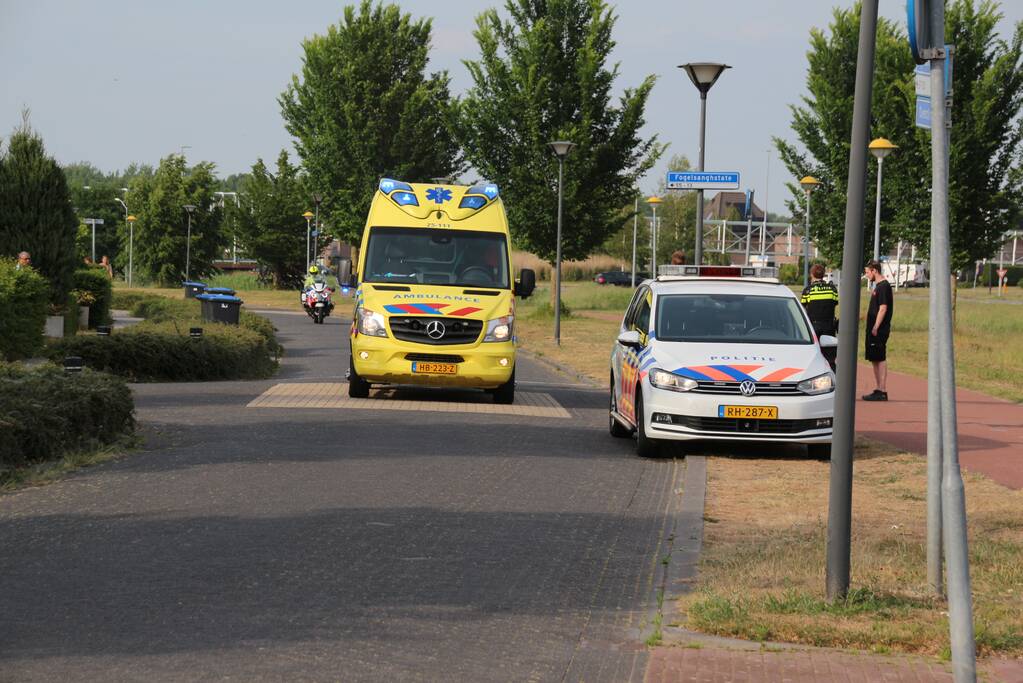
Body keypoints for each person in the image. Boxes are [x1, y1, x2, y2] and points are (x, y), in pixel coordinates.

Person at [862, 259, 893, 401]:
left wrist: (876, 326)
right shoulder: (878, 286)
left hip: (878, 330)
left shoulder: (883, 287)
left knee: (880, 357)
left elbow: (883, 308)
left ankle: (882, 389)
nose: (866, 275)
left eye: (867, 272)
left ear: (875, 271)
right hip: (873, 329)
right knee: (874, 358)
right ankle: (879, 388)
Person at [800, 263, 839, 370]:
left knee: (813, 355)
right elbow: (835, 303)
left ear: (811, 274)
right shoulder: (832, 289)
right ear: (823, 274)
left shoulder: (808, 290)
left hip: (813, 327)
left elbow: (803, 307)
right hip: (829, 326)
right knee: (830, 357)